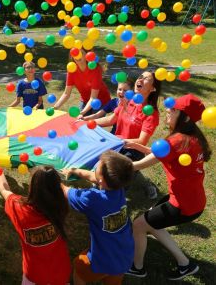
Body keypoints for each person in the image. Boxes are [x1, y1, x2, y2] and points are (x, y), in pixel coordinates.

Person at [124, 94, 210, 280]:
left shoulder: (177, 140)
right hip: (192, 200)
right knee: (151, 220)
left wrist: (118, 164)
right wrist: (137, 147)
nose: (167, 113)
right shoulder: (192, 138)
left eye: (172, 111)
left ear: (185, 117)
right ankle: (185, 264)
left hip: (182, 205)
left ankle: (136, 268)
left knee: (139, 225)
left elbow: (141, 164)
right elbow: (161, 154)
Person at [62, 150, 135, 285]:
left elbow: (65, 191)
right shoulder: (118, 187)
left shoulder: (92, 200)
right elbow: (95, 177)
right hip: (125, 255)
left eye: (98, 165)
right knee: (113, 278)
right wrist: (74, 170)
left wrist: (53, 177)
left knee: (79, 266)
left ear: (102, 180)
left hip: (102, 260)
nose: (96, 166)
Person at [0, 166, 72, 284]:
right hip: (61, 271)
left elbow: (5, 190)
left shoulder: (19, 208)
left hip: (34, 274)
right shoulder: (61, 205)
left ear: (33, 186)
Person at [95, 71, 162, 199]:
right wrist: (89, 122)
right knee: (101, 171)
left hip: (133, 151)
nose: (140, 80)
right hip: (117, 145)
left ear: (153, 88)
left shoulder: (151, 113)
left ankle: (118, 198)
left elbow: (142, 141)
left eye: (146, 78)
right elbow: (110, 120)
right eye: (140, 76)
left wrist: (120, 140)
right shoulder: (127, 101)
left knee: (116, 180)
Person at [54, 49, 111, 116]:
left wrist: (82, 113)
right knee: (80, 122)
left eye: (81, 53)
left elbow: (93, 98)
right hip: (85, 100)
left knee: (94, 123)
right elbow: (66, 94)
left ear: (87, 55)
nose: (78, 56)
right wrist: (55, 108)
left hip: (101, 101)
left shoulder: (95, 69)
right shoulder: (72, 69)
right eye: (75, 54)